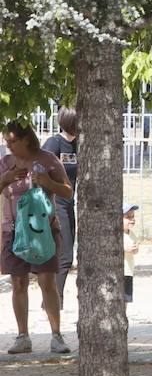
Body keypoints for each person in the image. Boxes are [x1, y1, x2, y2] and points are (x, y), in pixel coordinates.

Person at [1, 120, 73, 355]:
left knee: (46, 282)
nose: (9, 145)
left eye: (13, 141)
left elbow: (67, 190)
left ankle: (56, 335)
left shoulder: (48, 159)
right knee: (18, 282)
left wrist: (48, 182)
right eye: (7, 141)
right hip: (13, 231)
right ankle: (23, 336)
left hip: (42, 231)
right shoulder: (6, 163)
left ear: (26, 139)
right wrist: (7, 178)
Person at [40, 108, 78, 306]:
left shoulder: (78, 145)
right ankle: (55, 300)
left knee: (65, 253)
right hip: (54, 204)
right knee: (65, 255)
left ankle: (51, 298)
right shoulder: (54, 144)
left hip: (69, 203)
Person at [122, 204, 139, 303]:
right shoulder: (118, 235)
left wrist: (135, 249)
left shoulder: (132, 234)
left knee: (126, 298)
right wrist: (125, 248)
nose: (132, 220)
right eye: (128, 217)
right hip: (121, 271)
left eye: (133, 217)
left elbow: (135, 249)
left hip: (128, 271)